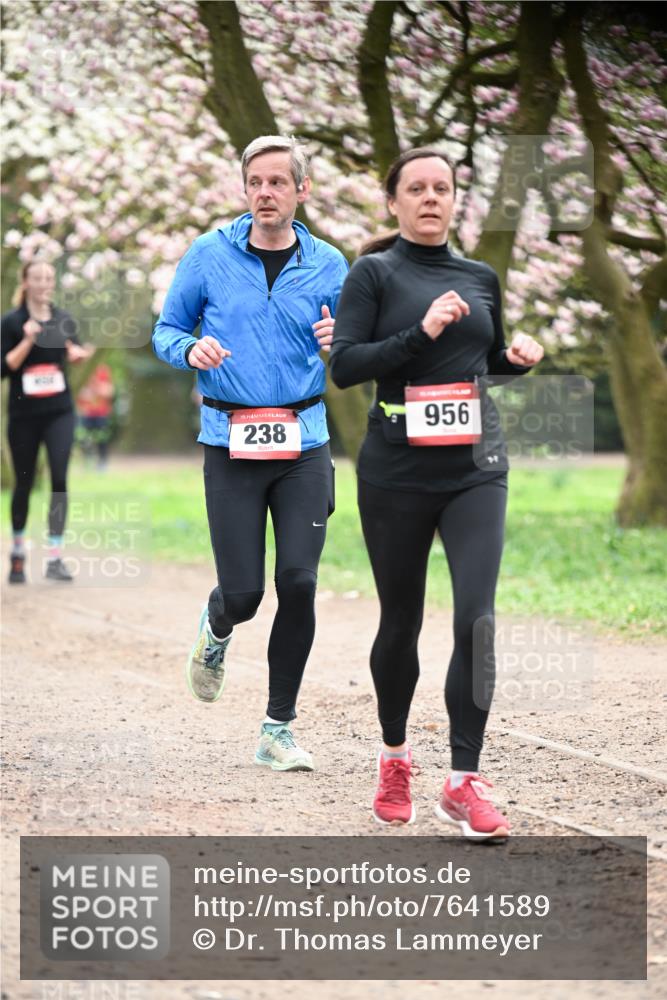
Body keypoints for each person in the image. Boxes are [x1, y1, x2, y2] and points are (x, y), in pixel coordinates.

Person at [330, 148, 544, 839]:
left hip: (475, 466)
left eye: (442, 189)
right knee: (401, 621)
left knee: (475, 619)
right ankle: (394, 757)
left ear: (455, 200)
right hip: (395, 469)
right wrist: (419, 330)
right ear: (393, 202)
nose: (430, 199)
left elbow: (478, 364)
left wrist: (510, 363)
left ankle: (462, 780)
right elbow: (346, 366)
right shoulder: (373, 273)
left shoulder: (479, 276)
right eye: (415, 189)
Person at [153, 135, 348, 772]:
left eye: (277, 182)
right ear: (245, 189)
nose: (265, 193)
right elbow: (166, 330)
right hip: (231, 444)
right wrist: (190, 351)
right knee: (244, 594)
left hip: (303, 442)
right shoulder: (209, 255)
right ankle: (216, 629)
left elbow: (358, 348)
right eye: (255, 182)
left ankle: (277, 729)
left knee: (298, 580)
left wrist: (338, 339)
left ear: (301, 191)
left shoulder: (329, 264)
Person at [1, 259, 94, 584]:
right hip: (23, 416)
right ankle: (17, 554)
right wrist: (27, 340)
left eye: (48, 278)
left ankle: (54, 556)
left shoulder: (63, 320)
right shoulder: (11, 322)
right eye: (37, 278)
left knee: (58, 477)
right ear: (25, 282)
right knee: (24, 483)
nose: (43, 283)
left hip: (59, 413)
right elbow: (4, 368)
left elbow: (74, 351)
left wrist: (77, 355)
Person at [76, 362, 115, 469]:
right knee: (84, 439)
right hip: (85, 412)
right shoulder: (80, 369)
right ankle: (87, 463)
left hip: (101, 412)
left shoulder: (102, 370)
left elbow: (109, 391)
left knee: (102, 439)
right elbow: (78, 392)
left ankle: (102, 463)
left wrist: (94, 390)